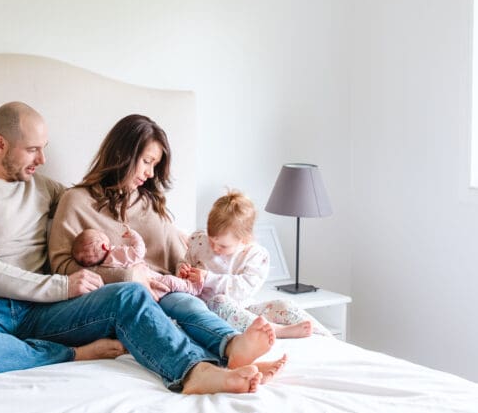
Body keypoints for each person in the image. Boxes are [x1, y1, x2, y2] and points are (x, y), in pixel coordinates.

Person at [0, 102, 281, 395]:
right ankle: (74, 355)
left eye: (44, 149)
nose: (43, 159)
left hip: (40, 311)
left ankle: (193, 371)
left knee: (129, 296)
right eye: (33, 150)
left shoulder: (44, 188)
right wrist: (63, 287)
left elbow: (95, 205)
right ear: (0, 144)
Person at [48, 113, 287, 384]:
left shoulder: (149, 203)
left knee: (187, 304)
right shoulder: (76, 201)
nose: (150, 173)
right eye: (147, 162)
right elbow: (61, 266)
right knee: (156, 307)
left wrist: (186, 270)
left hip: (164, 289)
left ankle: (234, 347)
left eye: (155, 165)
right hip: (119, 299)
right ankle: (208, 370)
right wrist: (126, 277)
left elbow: (177, 256)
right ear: (122, 154)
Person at [179, 190, 320, 339]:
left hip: (245, 307)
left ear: (244, 240)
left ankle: (321, 333)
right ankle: (276, 330)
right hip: (211, 309)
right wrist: (182, 268)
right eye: (212, 241)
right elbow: (186, 261)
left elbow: (243, 288)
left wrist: (209, 278)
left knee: (284, 305)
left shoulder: (256, 255)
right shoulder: (200, 242)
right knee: (219, 301)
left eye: (223, 246)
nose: (215, 248)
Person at [71, 225, 199, 301]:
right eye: (102, 235)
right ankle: (192, 287)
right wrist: (134, 236)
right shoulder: (117, 254)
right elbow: (139, 252)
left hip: (143, 291)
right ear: (105, 246)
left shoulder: (102, 265)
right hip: (152, 282)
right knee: (171, 281)